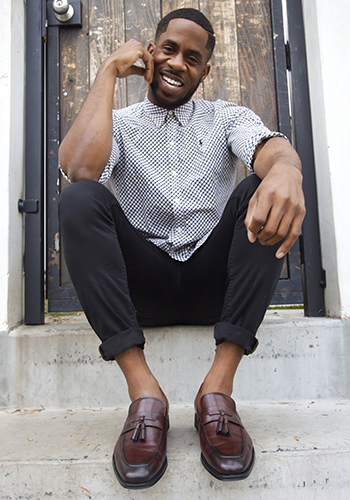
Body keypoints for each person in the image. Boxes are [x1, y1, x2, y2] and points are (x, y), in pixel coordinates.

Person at [58, 8, 305, 490]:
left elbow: (269, 147)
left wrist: (287, 172)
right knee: (80, 198)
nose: (177, 63)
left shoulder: (225, 117)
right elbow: (80, 170)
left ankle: (217, 389)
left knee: (263, 183)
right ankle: (144, 393)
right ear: (150, 51)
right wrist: (109, 71)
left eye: (192, 58)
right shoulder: (120, 125)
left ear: (205, 70)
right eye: (168, 49)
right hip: (141, 289)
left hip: (212, 286)